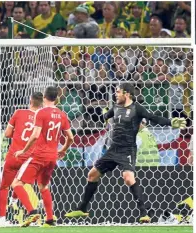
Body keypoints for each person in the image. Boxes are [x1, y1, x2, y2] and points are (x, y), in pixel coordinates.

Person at [65, 83, 187, 223]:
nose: (115, 94)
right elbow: (103, 117)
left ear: (127, 93)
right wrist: (99, 113)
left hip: (127, 149)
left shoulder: (137, 108)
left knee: (128, 178)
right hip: (113, 149)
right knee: (92, 175)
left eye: (118, 92)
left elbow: (154, 118)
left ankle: (144, 213)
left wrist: (171, 122)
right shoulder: (116, 107)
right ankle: (82, 208)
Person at [13, 86, 74, 227]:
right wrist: (63, 150)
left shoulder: (40, 113)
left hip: (39, 155)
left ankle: (32, 212)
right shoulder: (62, 114)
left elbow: (34, 136)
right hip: (52, 157)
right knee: (43, 186)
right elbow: (70, 137)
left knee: (16, 183)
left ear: (44, 97)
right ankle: (50, 219)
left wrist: (23, 150)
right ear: (56, 98)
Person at [0, 92, 43, 226]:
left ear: (30, 100)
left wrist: (18, 134)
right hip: (29, 159)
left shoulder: (18, 113)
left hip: (14, 155)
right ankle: (15, 201)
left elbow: (7, 134)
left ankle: (1, 219)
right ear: (41, 104)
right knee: (20, 183)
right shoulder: (42, 119)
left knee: (4, 186)